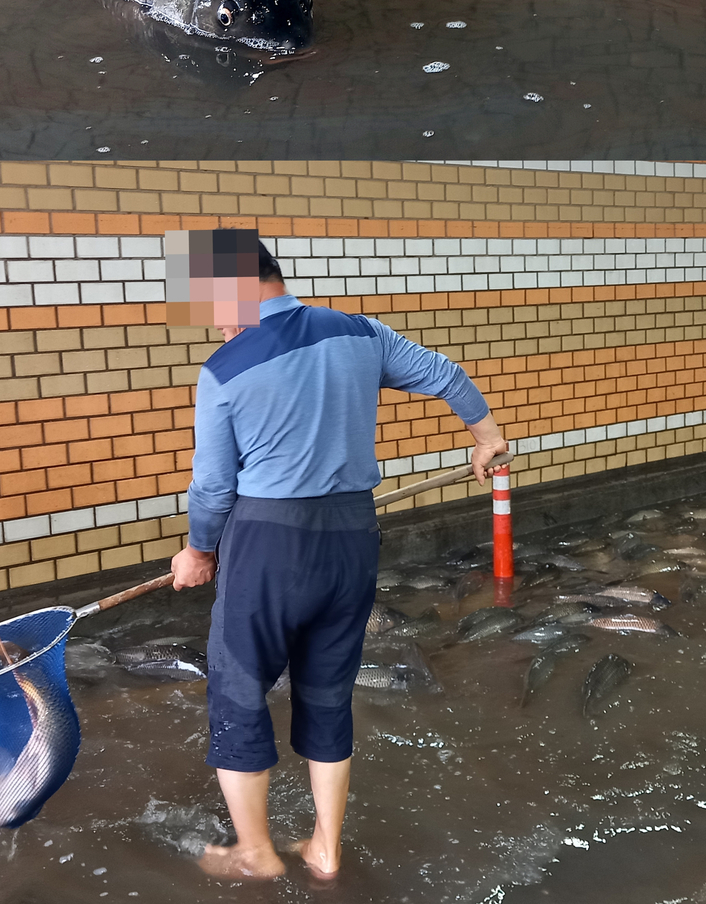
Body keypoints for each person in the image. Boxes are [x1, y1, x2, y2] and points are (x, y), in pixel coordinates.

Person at [169, 235, 508, 881]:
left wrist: (198, 550)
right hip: (352, 538)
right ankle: (325, 847)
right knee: (326, 692)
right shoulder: (360, 333)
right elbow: (446, 374)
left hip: (269, 543)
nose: (212, 318)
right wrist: (488, 438)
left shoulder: (224, 368)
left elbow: (212, 485)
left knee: (238, 691)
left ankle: (255, 851)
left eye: (209, 300)